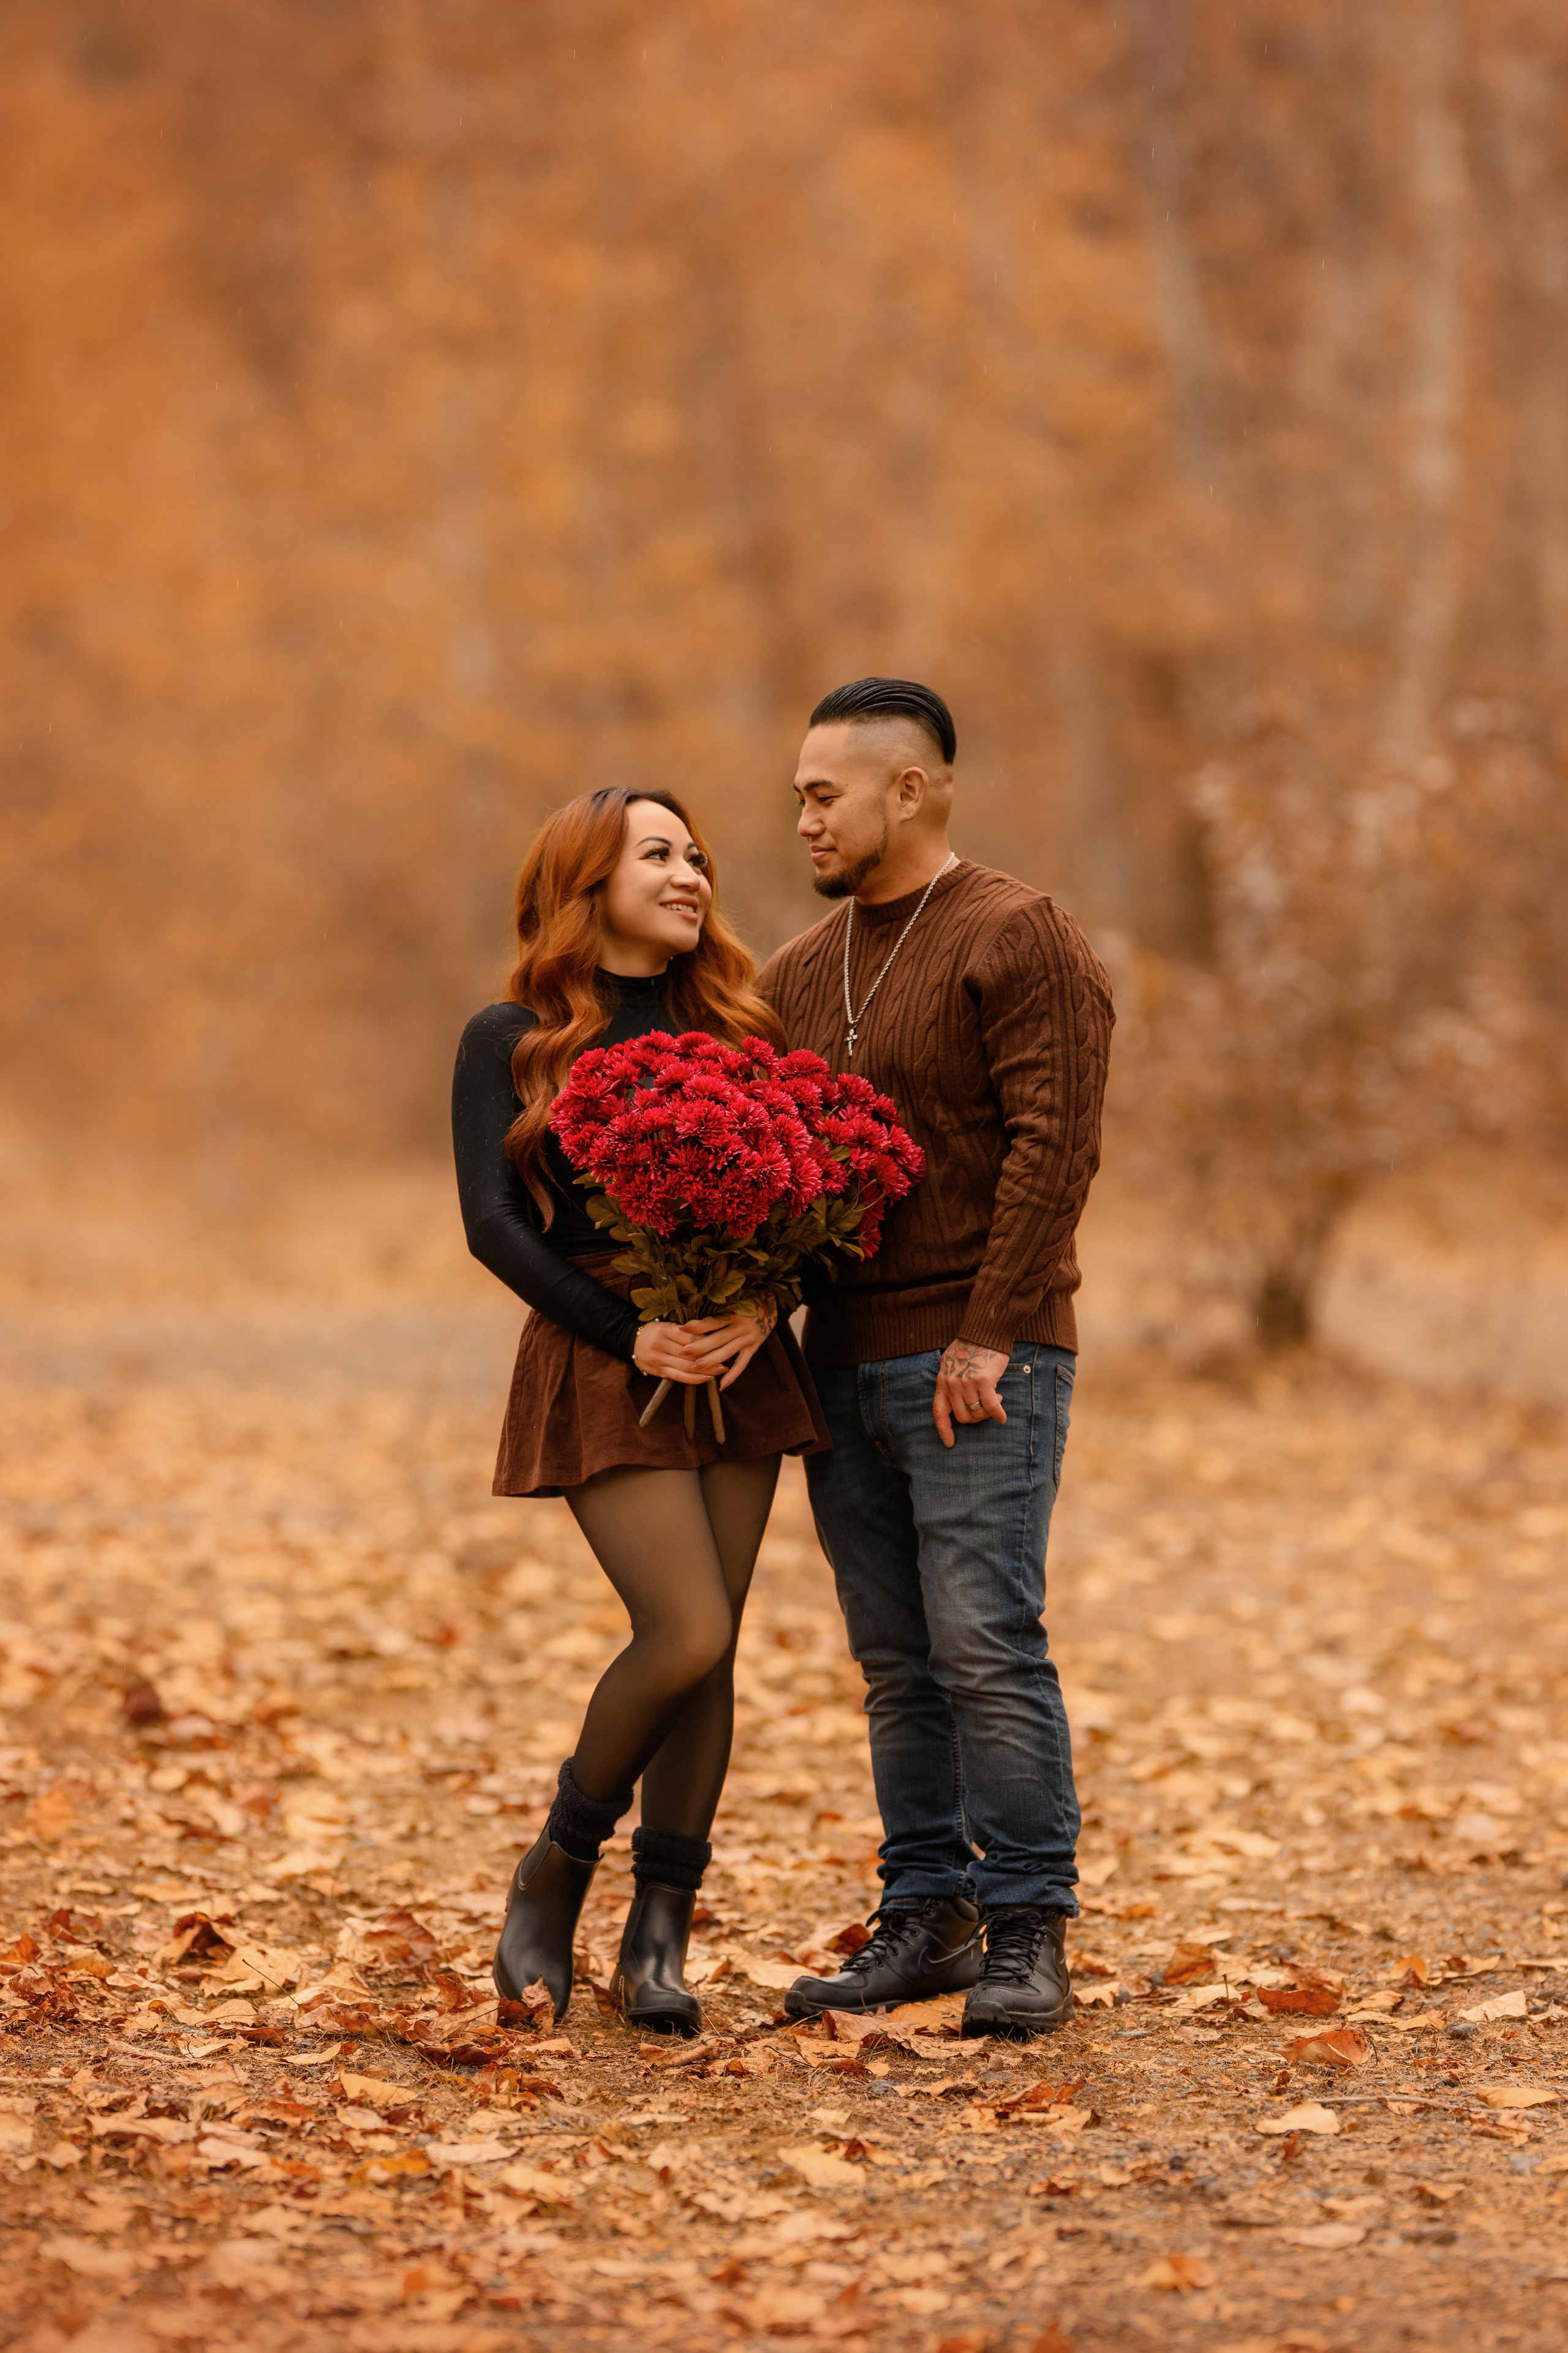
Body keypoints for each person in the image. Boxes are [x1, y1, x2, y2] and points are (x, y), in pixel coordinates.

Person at [758, 678, 1113, 2039]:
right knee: (897, 1662)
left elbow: (1054, 1140)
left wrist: (988, 1328)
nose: (801, 816)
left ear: (909, 790)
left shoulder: (1019, 934)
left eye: (822, 793)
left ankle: (1027, 1926)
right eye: (796, 793)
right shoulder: (798, 969)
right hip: (840, 1366)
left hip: (979, 1363)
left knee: (984, 1646)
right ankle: (927, 1914)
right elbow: (785, 1181)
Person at [452, 787, 829, 2035]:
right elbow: (493, 1224)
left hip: (731, 1348)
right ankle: (551, 1873)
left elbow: (812, 1191)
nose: (689, 874)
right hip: (601, 1345)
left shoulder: (740, 1024)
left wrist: (766, 1303)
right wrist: (629, 1330)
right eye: (656, 854)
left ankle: (658, 1933)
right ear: (586, 880)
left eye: (695, 855)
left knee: (713, 1645)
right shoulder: (509, 1036)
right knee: (680, 1629)